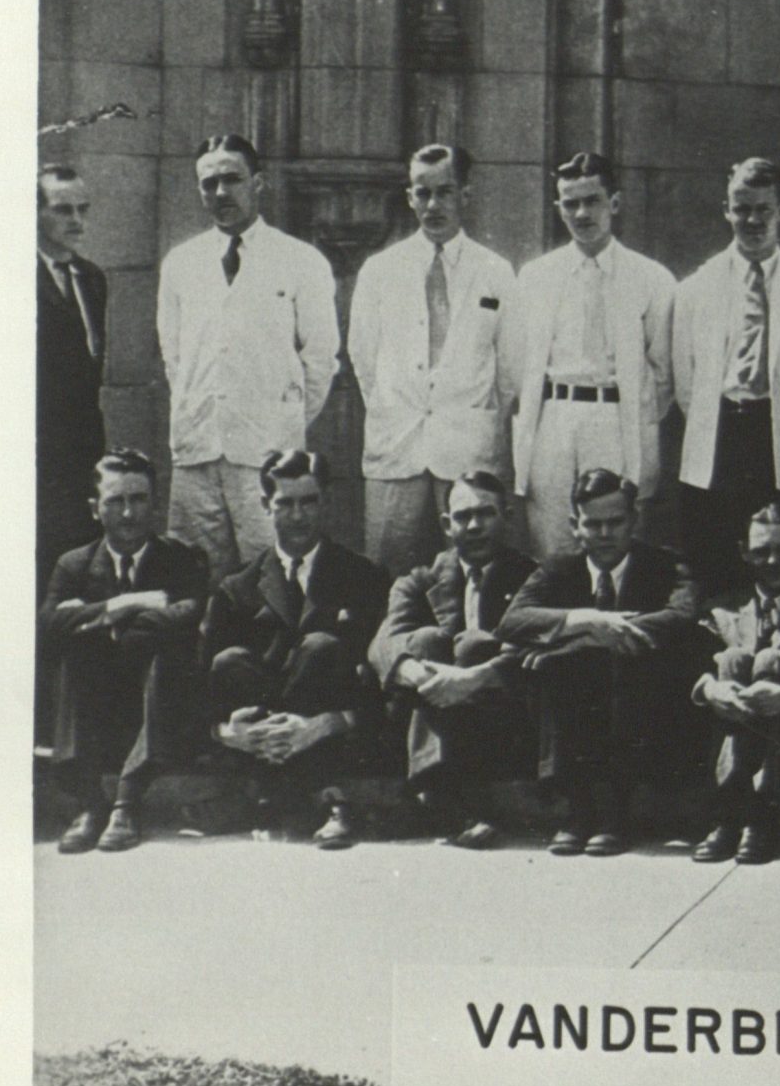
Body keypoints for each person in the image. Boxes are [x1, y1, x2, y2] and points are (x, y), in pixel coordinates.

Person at [497, 467, 709, 857]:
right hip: (578, 694)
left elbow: (683, 613)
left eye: (615, 522)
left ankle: (615, 814)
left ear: (634, 520)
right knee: (561, 667)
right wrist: (587, 621)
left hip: (646, 695)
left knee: (611, 664)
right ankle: (577, 811)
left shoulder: (664, 565)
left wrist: (614, 633)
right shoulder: (559, 569)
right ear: (575, 525)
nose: (605, 534)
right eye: (593, 524)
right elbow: (511, 620)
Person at [156, 134, 339, 573]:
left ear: (259, 182)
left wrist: (281, 421)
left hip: (266, 455)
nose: (221, 192)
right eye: (209, 183)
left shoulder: (301, 260)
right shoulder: (181, 263)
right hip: (197, 453)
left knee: (269, 573)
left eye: (233, 179)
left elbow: (321, 360)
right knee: (195, 575)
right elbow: (174, 358)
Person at [201, 449, 393, 850]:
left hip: (337, 738)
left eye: (309, 502)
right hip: (257, 743)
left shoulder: (364, 577)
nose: (299, 516)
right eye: (285, 504)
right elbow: (203, 684)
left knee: (321, 647)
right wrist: (227, 733)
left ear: (326, 501)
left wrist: (323, 724)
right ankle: (325, 799)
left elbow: (378, 681)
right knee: (231, 660)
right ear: (264, 506)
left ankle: (275, 798)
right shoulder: (238, 588)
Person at [346, 143, 517, 578]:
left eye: (445, 191)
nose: (434, 204)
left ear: (466, 195)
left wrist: (474, 413)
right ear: (410, 198)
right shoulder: (381, 270)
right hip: (397, 439)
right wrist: (392, 405)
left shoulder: (496, 271)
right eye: (423, 193)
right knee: (385, 567)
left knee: (473, 568)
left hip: (467, 442)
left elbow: (512, 367)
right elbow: (363, 356)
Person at [502, 151, 677, 560]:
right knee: (552, 540)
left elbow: (664, 372)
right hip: (554, 418)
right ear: (558, 207)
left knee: (613, 537)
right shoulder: (535, 276)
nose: (582, 212)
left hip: (616, 419)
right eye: (570, 202)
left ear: (613, 202)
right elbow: (516, 361)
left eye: (592, 200)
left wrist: (628, 410)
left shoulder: (650, 278)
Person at [42, 451, 210, 855]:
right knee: (75, 651)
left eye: (138, 499)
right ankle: (89, 803)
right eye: (116, 501)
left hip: (160, 708)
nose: (129, 513)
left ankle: (126, 802)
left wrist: (96, 620)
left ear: (154, 502)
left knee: (165, 651)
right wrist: (124, 605)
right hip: (96, 708)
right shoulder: (75, 565)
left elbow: (188, 614)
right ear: (95, 509)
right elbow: (48, 624)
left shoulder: (180, 558)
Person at [671, 158, 780, 589]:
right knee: (718, 551)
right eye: (742, 209)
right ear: (727, 210)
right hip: (721, 432)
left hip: (779, 435)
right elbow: (685, 381)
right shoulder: (695, 289)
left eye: (763, 209)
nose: (752, 220)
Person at [368, 470, 538, 847]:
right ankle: (446, 797)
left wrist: (472, 677)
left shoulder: (530, 577)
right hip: (430, 711)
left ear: (507, 517)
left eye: (486, 514)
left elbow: (535, 647)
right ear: (447, 525)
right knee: (426, 640)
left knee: (474, 646)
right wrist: (420, 673)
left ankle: (433, 798)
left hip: (498, 722)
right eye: (463, 517)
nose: (474, 526)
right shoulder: (421, 579)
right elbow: (384, 642)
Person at [690, 504, 780, 864]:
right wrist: (711, 689)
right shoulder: (722, 609)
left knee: (771, 660)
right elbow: (694, 664)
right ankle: (735, 815)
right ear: (744, 552)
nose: (773, 560)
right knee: (732, 659)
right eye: (761, 551)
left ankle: (756, 816)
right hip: (732, 723)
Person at [36, 163, 110, 580]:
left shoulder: (92, 279)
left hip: (82, 455)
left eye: (83, 208)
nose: (77, 220)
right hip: (34, 452)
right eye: (64, 209)